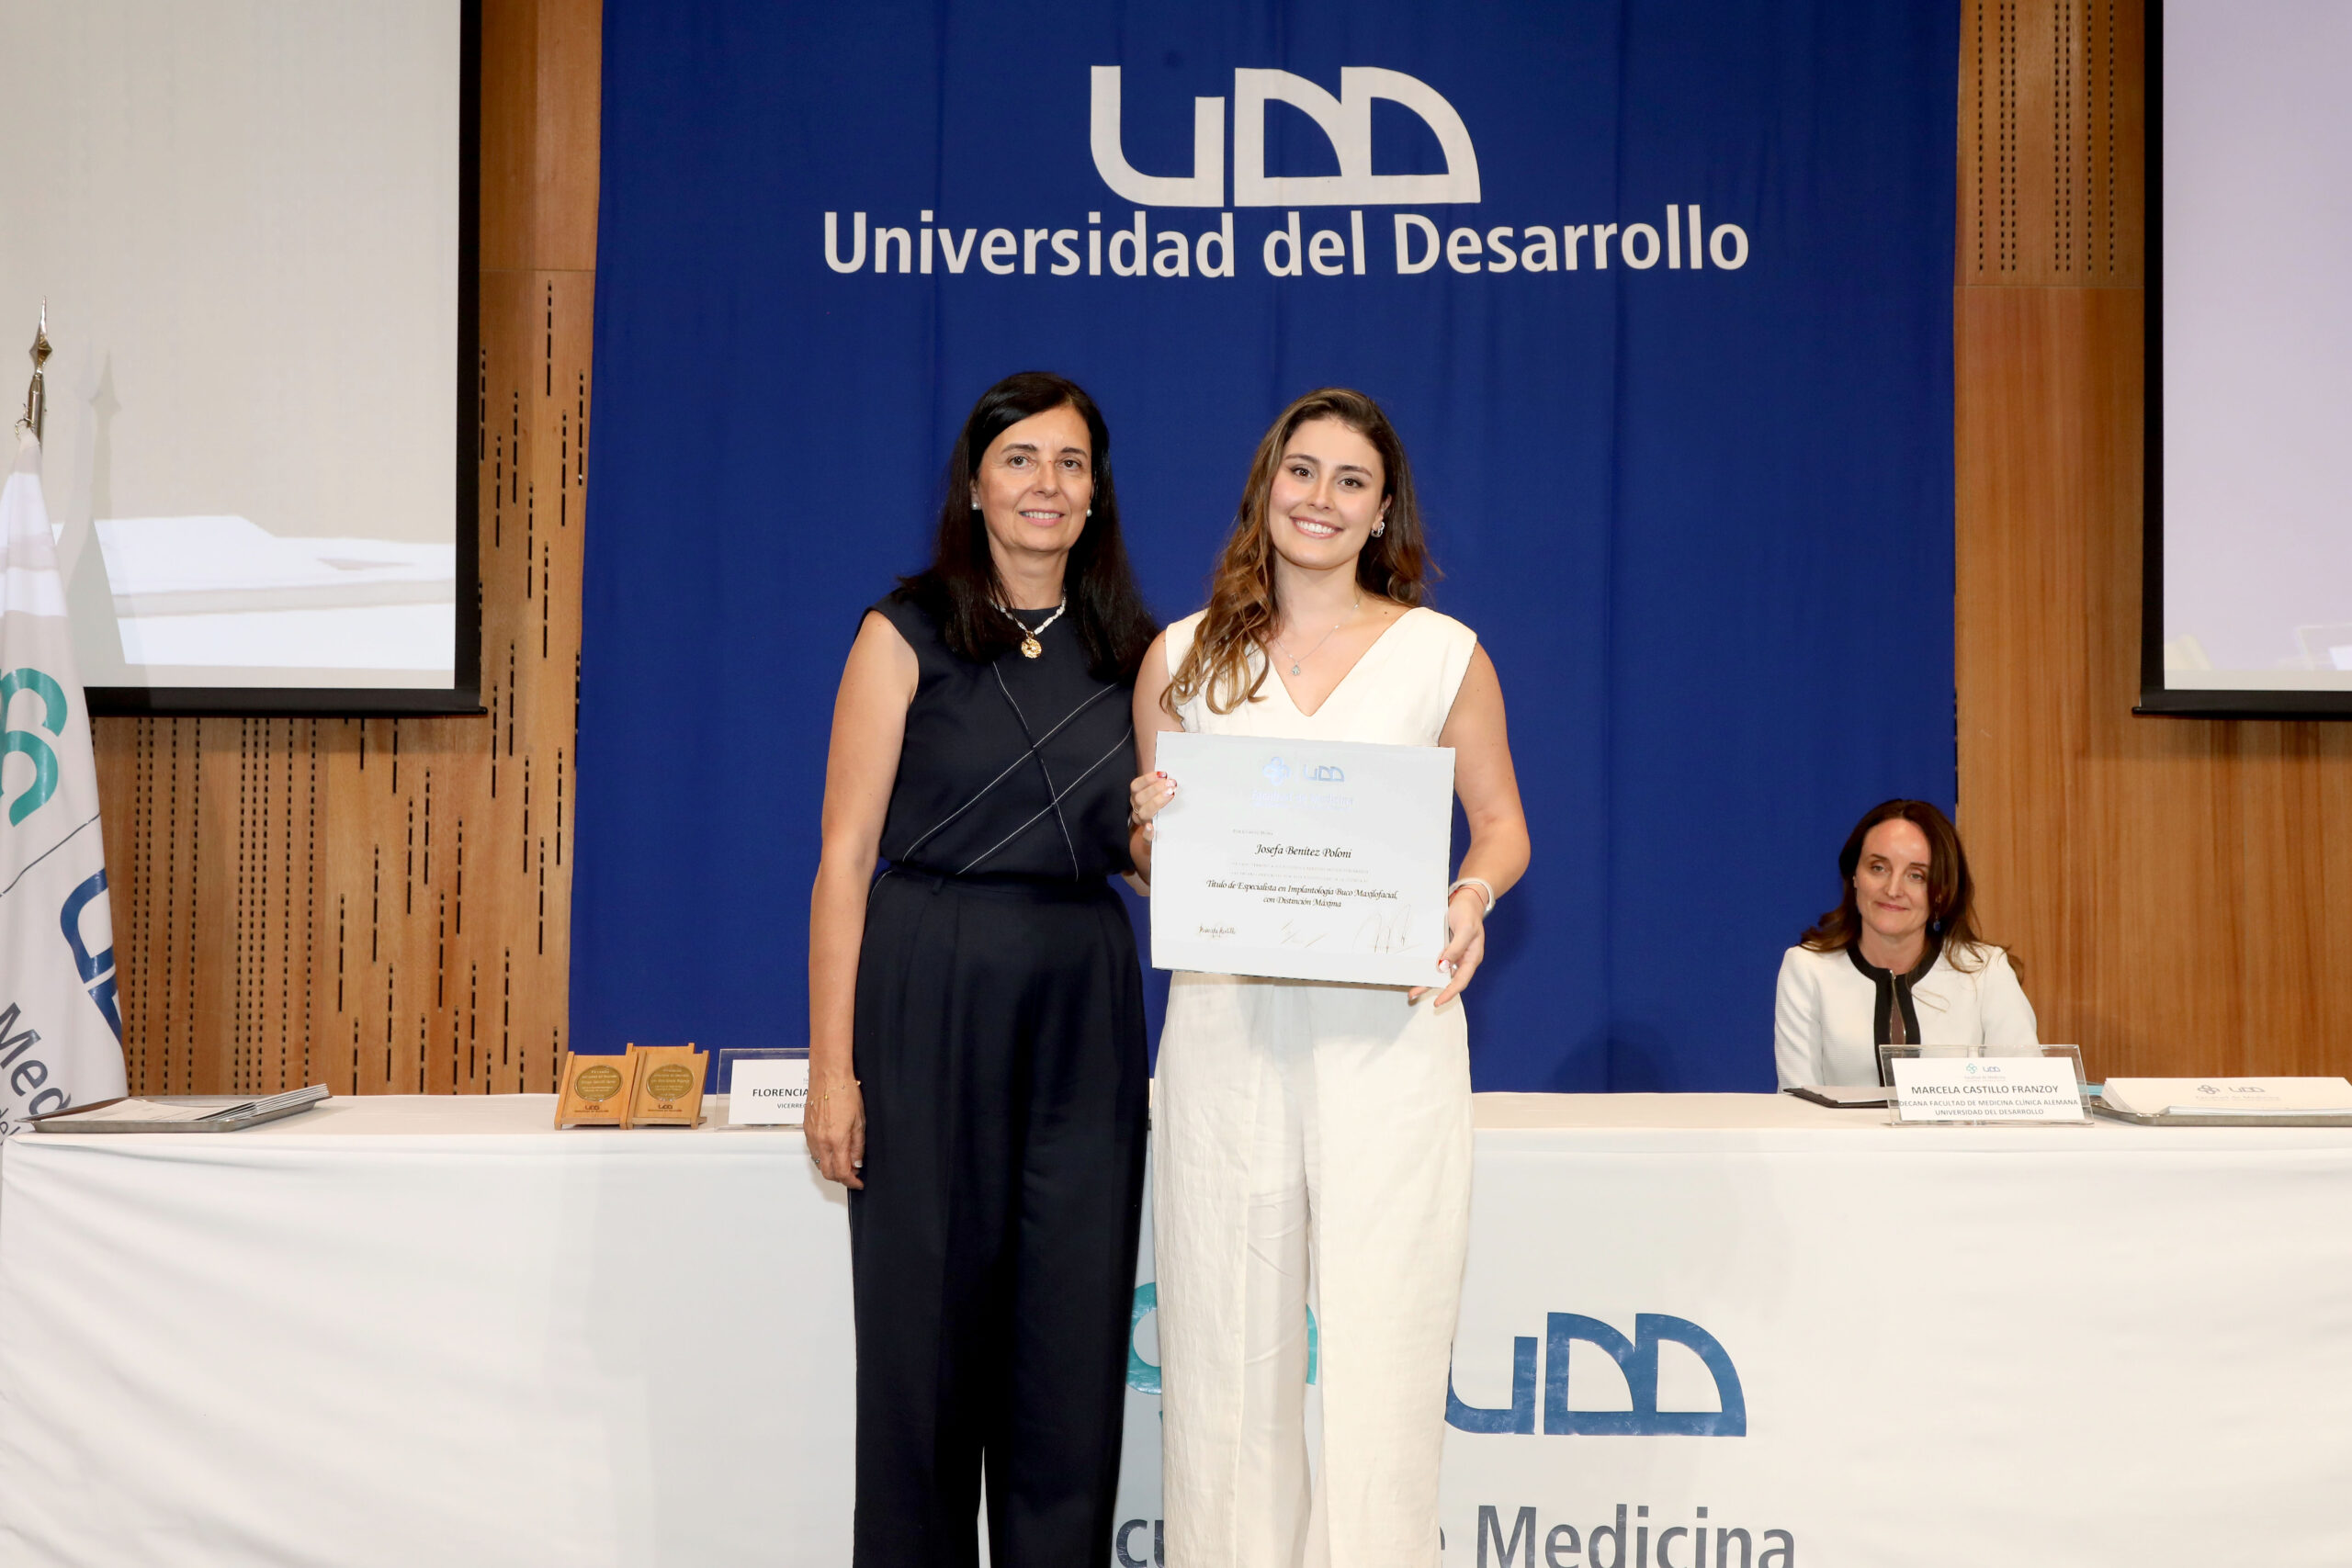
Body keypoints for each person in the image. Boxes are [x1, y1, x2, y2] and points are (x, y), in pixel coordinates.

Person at [1127, 388, 1531, 1567]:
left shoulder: (1441, 654)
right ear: (1266, 488)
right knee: (1220, 1353)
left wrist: (1470, 896)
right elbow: (1155, 867)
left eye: (1350, 480)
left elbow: (1502, 828)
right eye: (1300, 471)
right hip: (1224, 1035)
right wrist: (1148, 831)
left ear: (1382, 509)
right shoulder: (1180, 657)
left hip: (1390, 1039)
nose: (1321, 498)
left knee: (1386, 1351)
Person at [804, 371, 1158, 1568]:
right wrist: (833, 1072)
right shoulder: (902, 632)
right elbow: (844, 858)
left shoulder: (1140, 653)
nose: (1045, 484)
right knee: (924, 1348)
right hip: (929, 986)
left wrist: (1183, 840)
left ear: (1096, 492)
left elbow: (1158, 866)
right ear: (974, 484)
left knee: (1072, 1341)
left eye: (1069, 462)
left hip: (1083, 1003)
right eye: (1019, 458)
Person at [1773, 798, 2037, 1088]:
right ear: (1854, 876)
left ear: (1941, 891)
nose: (1893, 889)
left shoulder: (1986, 970)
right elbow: (1796, 1102)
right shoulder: (1807, 969)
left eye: (1916, 876)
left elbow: (2026, 1093)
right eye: (1878, 868)